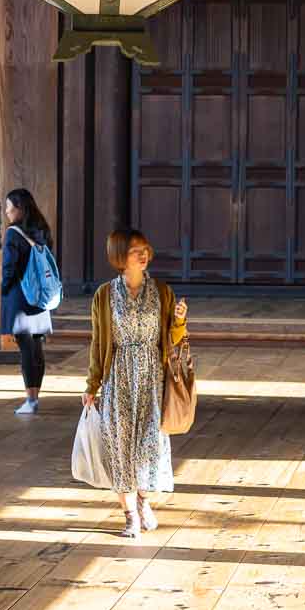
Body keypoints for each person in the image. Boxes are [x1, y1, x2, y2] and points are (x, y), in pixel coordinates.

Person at [83, 228, 189, 539]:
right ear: (119, 257)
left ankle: (143, 501)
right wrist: (92, 385)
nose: (143, 255)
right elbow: (98, 343)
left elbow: (172, 339)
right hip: (119, 377)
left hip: (152, 379)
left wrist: (180, 320)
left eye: (145, 249)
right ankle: (129, 515)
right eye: (134, 251)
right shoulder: (104, 295)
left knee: (149, 447)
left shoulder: (162, 291)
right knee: (120, 448)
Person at [0, 187, 55, 415]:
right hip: (39, 299)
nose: (6, 212)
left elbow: (9, 268)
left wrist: (3, 288)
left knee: (26, 350)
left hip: (20, 299)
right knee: (36, 349)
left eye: (9, 207)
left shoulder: (13, 233)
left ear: (19, 208)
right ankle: (35, 397)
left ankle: (30, 401)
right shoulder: (41, 230)